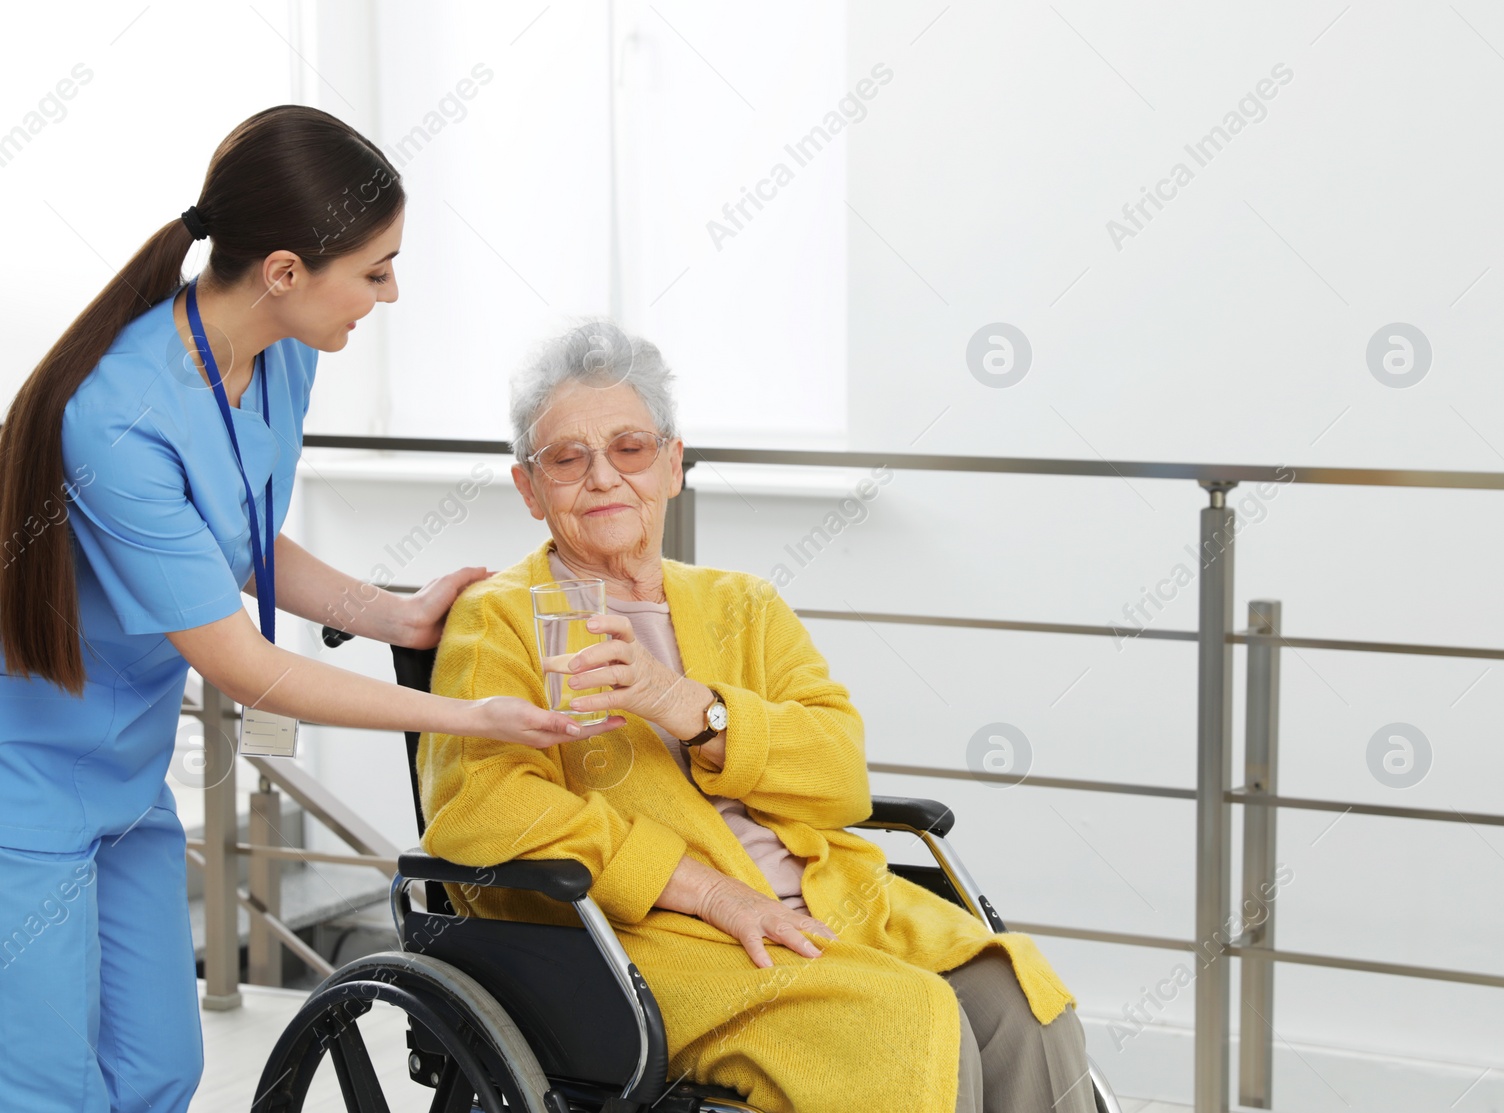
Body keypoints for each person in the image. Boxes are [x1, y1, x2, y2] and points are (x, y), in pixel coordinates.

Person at [0, 106, 611, 1113]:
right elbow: (243, 668)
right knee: (45, 1089)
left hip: (126, 772)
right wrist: (472, 717)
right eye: (374, 270)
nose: (391, 290)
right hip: (25, 783)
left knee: (159, 1068)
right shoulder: (116, 415)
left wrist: (396, 615)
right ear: (285, 271)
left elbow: (234, 536)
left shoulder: (283, 353)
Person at [417, 322, 1099, 1113]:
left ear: (672, 463)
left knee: (1022, 1006)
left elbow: (840, 772)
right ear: (530, 489)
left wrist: (682, 704)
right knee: (905, 1021)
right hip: (653, 943)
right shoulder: (498, 618)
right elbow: (483, 810)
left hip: (833, 903)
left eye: (630, 448)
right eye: (568, 459)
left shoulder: (743, 604)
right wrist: (707, 891)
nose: (603, 476)